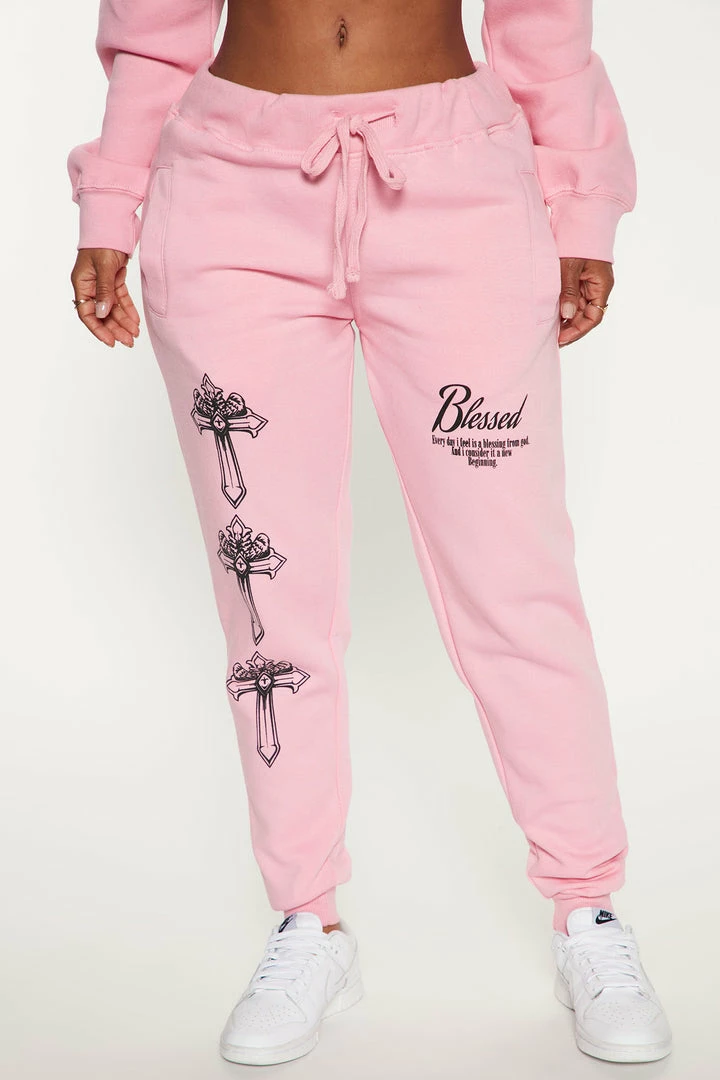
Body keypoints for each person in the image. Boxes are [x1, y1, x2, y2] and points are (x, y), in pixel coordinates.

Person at [67, 0, 672, 1068]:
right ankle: (308, 920)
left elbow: (542, 14)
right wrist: (113, 200)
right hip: (229, 199)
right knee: (267, 600)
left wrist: (581, 204)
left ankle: (587, 905)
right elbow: (156, 22)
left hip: (457, 191)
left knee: (513, 580)